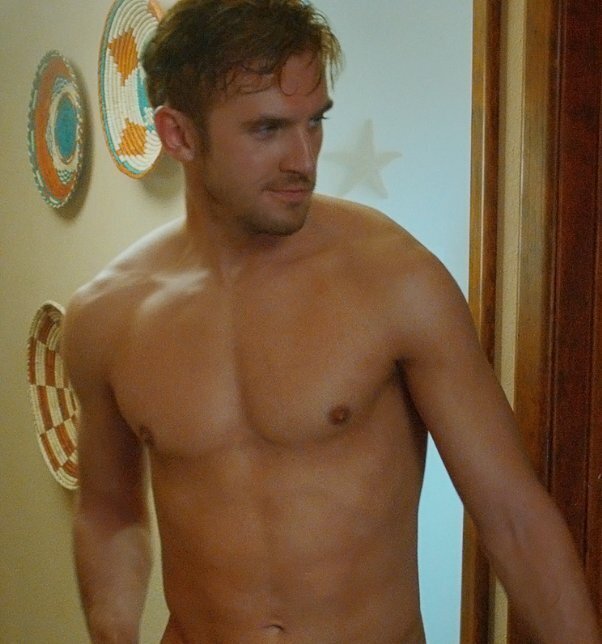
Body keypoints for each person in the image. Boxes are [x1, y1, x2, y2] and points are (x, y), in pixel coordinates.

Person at [62, 1, 600, 642]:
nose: (303, 159)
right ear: (178, 135)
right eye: (267, 129)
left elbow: (514, 516)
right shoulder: (108, 316)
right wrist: (113, 631)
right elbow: (109, 512)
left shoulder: (394, 279)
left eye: (314, 122)